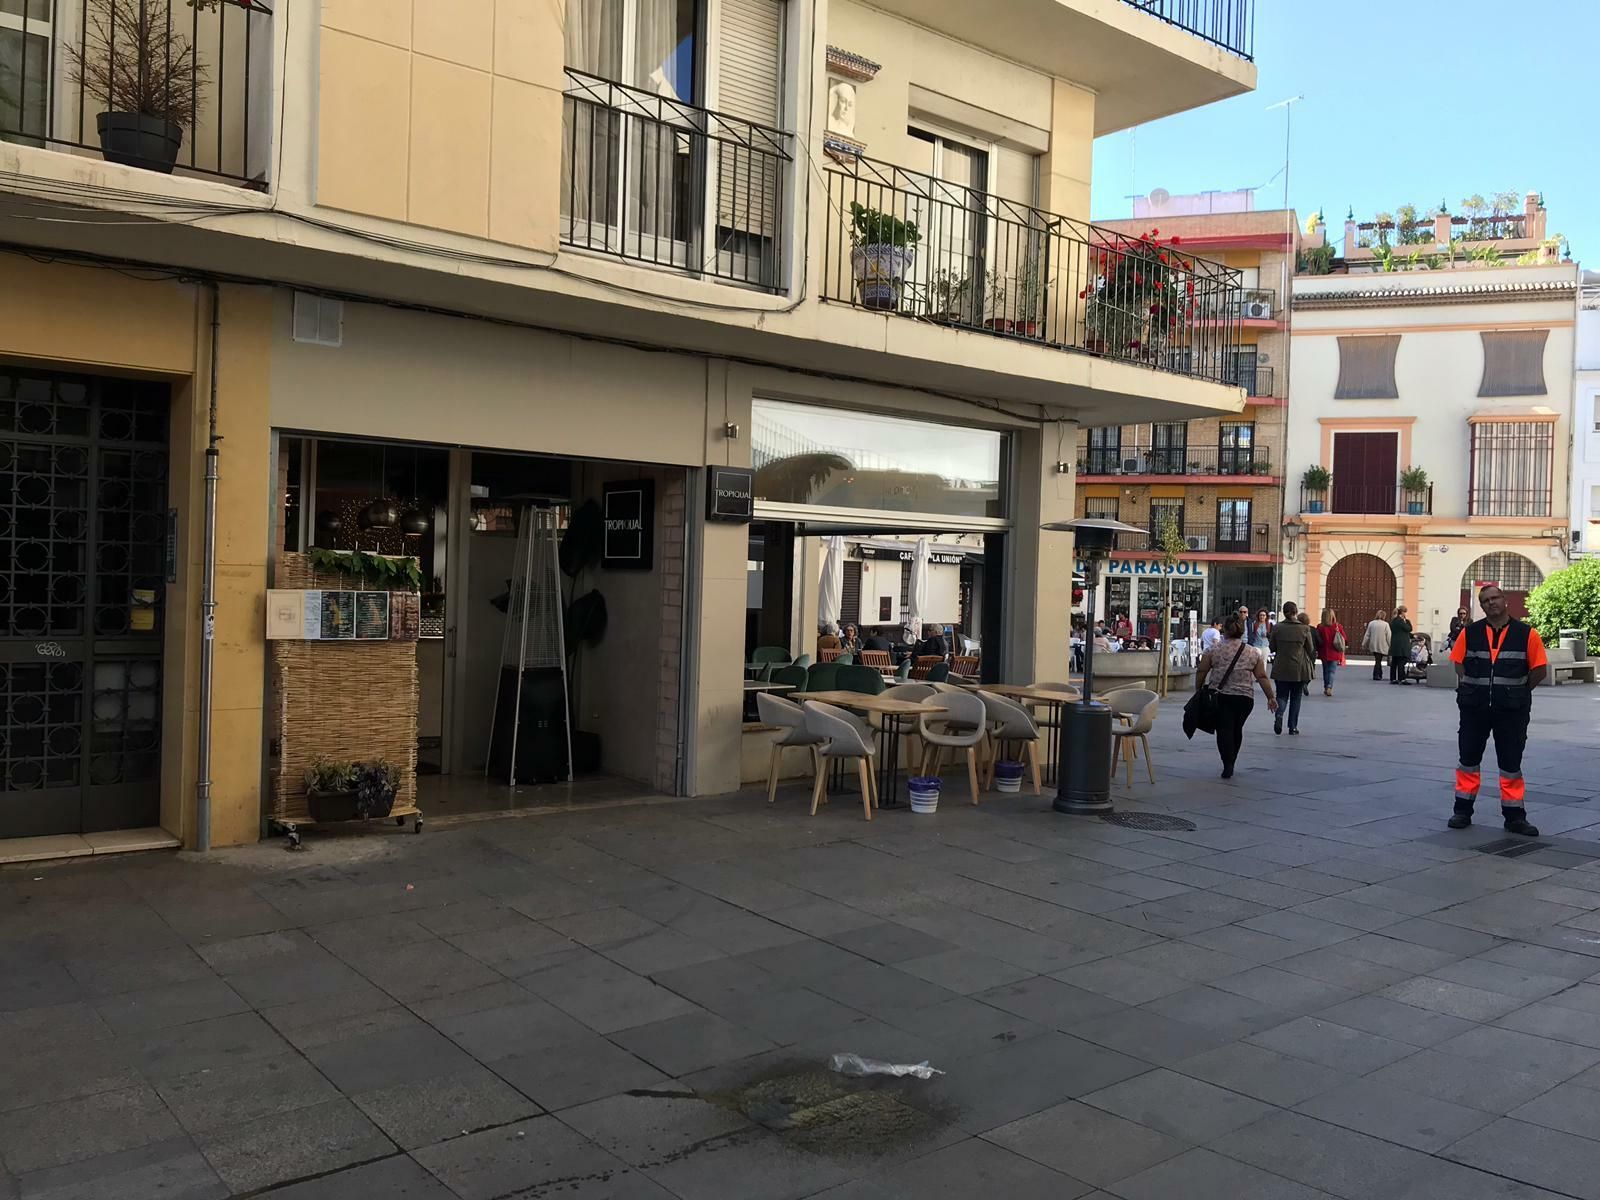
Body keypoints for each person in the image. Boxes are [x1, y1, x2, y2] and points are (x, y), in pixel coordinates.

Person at [1448, 585, 1547, 837]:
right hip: (1474, 708)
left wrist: (1519, 691)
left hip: (1512, 710)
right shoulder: (1470, 632)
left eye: (1495, 598)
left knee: (1511, 764)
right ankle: (1462, 811)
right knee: (1468, 761)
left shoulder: (1527, 634)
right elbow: (1458, 664)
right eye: (1485, 600)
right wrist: (1473, 687)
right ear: (1481, 606)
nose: (1491, 603)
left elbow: (1539, 669)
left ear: (1505, 600)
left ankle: (1515, 817)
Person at [1196, 613, 1277, 779]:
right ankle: (1232, 759)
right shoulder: (1252, 652)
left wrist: (1199, 689)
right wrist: (1270, 696)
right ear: (1242, 631)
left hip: (1221, 696)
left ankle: (1228, 763)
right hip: (1244, 698)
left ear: (1224, 630)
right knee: (1236, 728)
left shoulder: (1213, 650)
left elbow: (1202, 670)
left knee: (1224, 729)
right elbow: (1261, 676)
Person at [1269, 601, 1316, 735]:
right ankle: (1292, 726)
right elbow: (1310, 649)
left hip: (1281, 666)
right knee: (1296, 697)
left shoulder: (1277, 627)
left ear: (1284, 613)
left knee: (1281, 695)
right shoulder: (1304, 629)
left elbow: (1272, 647)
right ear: (1296, 612)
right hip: (1298, 668)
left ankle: (1279, 715)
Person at [1315, 608, 1347, 696]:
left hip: (1323, 652)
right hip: (1335, 652)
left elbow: (1317, 639)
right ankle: (1329, 687)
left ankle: (1326, 687)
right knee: (1332, 671)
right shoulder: (1337, 626)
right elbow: (1344, 637)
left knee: (1325, 670)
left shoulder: (1320, 627)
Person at [1389, 606, 1414, 685]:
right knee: (1401, 662)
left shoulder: (1393, 621)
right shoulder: (1401, 621)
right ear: (1402, 613)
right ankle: (1401, 678)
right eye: (1405, 612)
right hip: (1401, 645)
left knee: (1394, 662)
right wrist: (1407, 621)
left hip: (1395, 644)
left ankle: (1393, 678)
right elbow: (1409, 629)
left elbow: (1401, 631)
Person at [1364, 609, 1391, 681]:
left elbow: (1367, 635)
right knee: (1378, 660)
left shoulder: (1371, 623)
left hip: (1374, 644)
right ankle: (1376, 675)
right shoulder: (1386, 624)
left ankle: (1379, 674)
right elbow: (1388, 636)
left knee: (1378, 659)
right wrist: (1390, 644)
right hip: (1382, 645)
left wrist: (1364, 644)